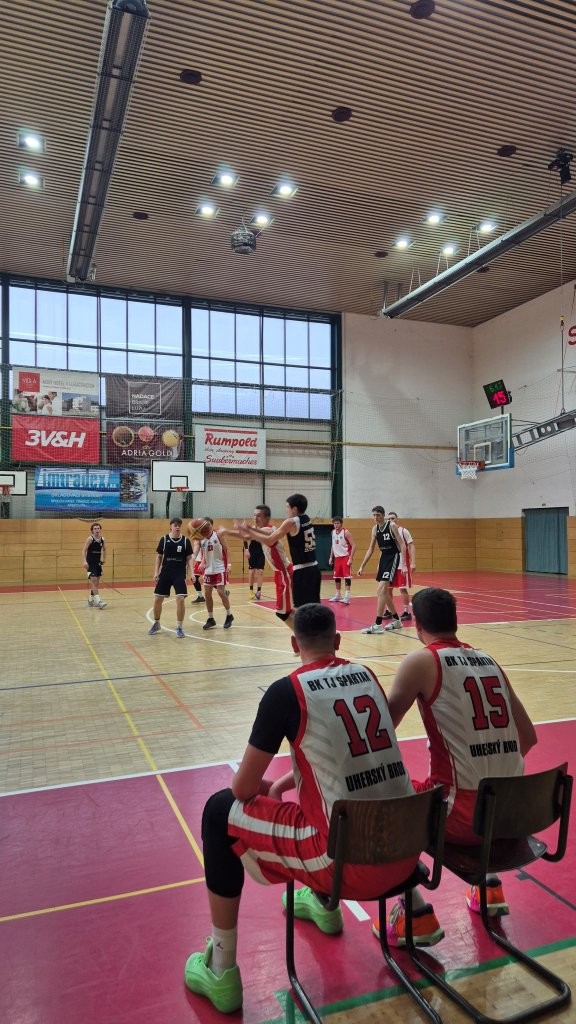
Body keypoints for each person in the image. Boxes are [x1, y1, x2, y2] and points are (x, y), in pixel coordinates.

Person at [184, 603, 416, 1014]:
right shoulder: (366, 676)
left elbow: (243, 789)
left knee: (219, 811)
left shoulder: (286, 691)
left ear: (294, 645)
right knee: (325, 797)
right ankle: (322, 904)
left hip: (346, 864)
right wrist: (285, 782)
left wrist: (271, 788)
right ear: (338, 641)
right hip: (407, 851)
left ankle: (220, 967)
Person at [372, 587, 537, 948]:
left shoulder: (422, 661)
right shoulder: (488, 659)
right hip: (513, 814)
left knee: (382, 802)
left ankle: (414, 911)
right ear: (455, 620)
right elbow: (528, 737)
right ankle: (489, 886)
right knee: (478, 785)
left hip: (462, 817)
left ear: (417, 624)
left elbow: (378, 738)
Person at [238, 493, 320, 628]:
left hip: (302, 571)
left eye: (287, 507)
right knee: (312, 609)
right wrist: (251, 530)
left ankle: (308, 637)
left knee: (302, 611)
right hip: (314, 568)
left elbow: (270, 539)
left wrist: (249, 531)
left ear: (294, 509)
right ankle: (321, 635)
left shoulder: (291, 522)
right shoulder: (307, 519)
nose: (286, 510)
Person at [221, 505, 294, 620]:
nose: (255, 518)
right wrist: (234, 530)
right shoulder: (258, 530)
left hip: (285, 573)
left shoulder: (270, 529)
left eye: (259, 516)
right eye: (254, 515)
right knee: (285, 611)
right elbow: (247, 535)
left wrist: (227, 531)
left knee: (284, 612)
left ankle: (303, 629)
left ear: (267, 518)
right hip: (279, 573)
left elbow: (247, 535)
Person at [357, 505, 406, 633]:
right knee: (383, 592)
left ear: (383, 515)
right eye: (374, 515)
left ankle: (378, 624)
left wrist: (405, 564)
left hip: (393, 556)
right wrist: (362, 565)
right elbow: (371, 549)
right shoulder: (375, 529)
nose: (376, 517)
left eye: (378, 515)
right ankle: (397, 620)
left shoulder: (392, 526)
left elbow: (402, 544)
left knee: (381, 590)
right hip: (384, 558)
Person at [148, 517, 193, 638]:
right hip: (165, 573)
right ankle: (156, 623)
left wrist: (192, 573)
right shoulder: (164, 539)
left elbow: (189, 558)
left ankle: (179, 627)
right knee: (158, 598)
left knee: (180, 599)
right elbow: (159, 557)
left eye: (179, 525)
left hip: (179, 573)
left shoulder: (185, 541)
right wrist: (156, 572)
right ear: (171, 527)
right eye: (175, 525)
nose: (177, 527)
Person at [197, 518, 234, 630]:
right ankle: (211, 619)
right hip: (208, 569)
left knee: (221, 592)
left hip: (220, 567)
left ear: (211, 526)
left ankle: (229, 615)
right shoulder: (202, 539)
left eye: (208, 526)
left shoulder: (218, 535)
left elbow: (227, 549)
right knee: (207, 593)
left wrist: (229, 564)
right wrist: (202, 562)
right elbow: (204, 553)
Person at [386, 512, 415, 622]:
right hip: (390, 565)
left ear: (397, 519)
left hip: (402, 565)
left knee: (402, 588)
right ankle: (389, 610)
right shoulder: (386, 532)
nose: (391, 520)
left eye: (393, 518)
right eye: (389, 519)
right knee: (388, 589)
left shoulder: (403, 531)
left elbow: (411, 546)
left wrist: (413, 562)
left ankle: (406, 612)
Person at [328, 516, 356, 604]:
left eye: (338, 523)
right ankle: (338, 595)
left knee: (347, 577)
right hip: (337, 558)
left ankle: (347, 596)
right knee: (337, 576)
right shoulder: (333, 532)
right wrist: (331, 557)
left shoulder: (346, 532)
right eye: (334, 523)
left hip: (345, 556)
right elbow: (333, 545)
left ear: (341, 524)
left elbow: (354, 545)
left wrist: (351, 558)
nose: (336, 525)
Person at [83, 522, 107, 608]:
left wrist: (104, 559)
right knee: (93, 581)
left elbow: (104, 549)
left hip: (98, 563)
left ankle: (90, 599)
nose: (97, 530)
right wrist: (84, 561)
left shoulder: (102, 539)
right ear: (92, 530)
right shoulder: (90, 539)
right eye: (95, 528)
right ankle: (99, 602)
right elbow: (84, 550)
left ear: (100, 529)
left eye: (98, 528)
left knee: (96, 583)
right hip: (90, 564)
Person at [186, 527, 205, 604]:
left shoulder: (202, 538)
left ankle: (223, 591)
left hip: (205, 561)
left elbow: (203, 551)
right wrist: (189, 560)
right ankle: (200, 596)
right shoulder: (196, 538)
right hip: (199, 561)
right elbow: (195, 552)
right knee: (194, 578)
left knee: (208, 580)